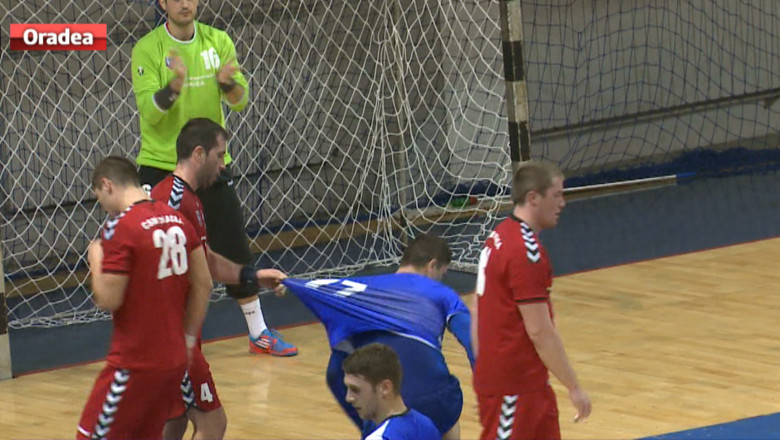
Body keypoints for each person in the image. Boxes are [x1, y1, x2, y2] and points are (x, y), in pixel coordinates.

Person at [131, 0, 297, 356]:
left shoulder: (218, 41)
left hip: (210, 167)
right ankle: (161, 339)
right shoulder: (147, 48)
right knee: (160, 255)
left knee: (234, 243)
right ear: (162, 3)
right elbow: (149, 112)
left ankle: (259, 332)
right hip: (162, 166)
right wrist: (174, 86)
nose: (185, 3)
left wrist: (226, 84)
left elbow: (239, 101)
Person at [151, 118, 288, 439]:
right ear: (199, 154)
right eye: (220, 155)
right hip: (173, 338)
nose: (224, 164)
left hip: (178, 337)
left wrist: (252, 275)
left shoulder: (190, 199)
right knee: (212, 423)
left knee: (175, 421)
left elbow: (206, 259)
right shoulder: (170, 200)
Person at [282, 234, 474, 440]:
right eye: (442, 275)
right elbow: (473, 340)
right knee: (447, 412)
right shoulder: (440, 293)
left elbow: (333, 373)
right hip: (433, 402)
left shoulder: (359, 291)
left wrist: (368, 422)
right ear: (432, 265)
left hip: (384, 405)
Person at [76, 156, 212, 440]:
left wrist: (96, 261)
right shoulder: (178, 220)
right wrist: (188, 340)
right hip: (174, 362)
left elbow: (108, 299)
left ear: (107, 185)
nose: (101, 205)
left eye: (99, 197)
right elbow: (204, 284)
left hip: (133, 364)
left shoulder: (120, 227)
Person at [472, 161, 592, 440]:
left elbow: (477, 310)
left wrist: (484, 368)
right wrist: (574, 387)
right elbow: (539, 331)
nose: (563, 203)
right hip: (515, 387)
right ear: (533, 198)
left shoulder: (498, 236)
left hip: (519, 382)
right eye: (557, 194)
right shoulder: (526, 253)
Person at [343, 343, 441, 440]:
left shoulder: (380, 437)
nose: (348, 398)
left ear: (385, 388)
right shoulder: (427, 426)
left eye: (355, 390)